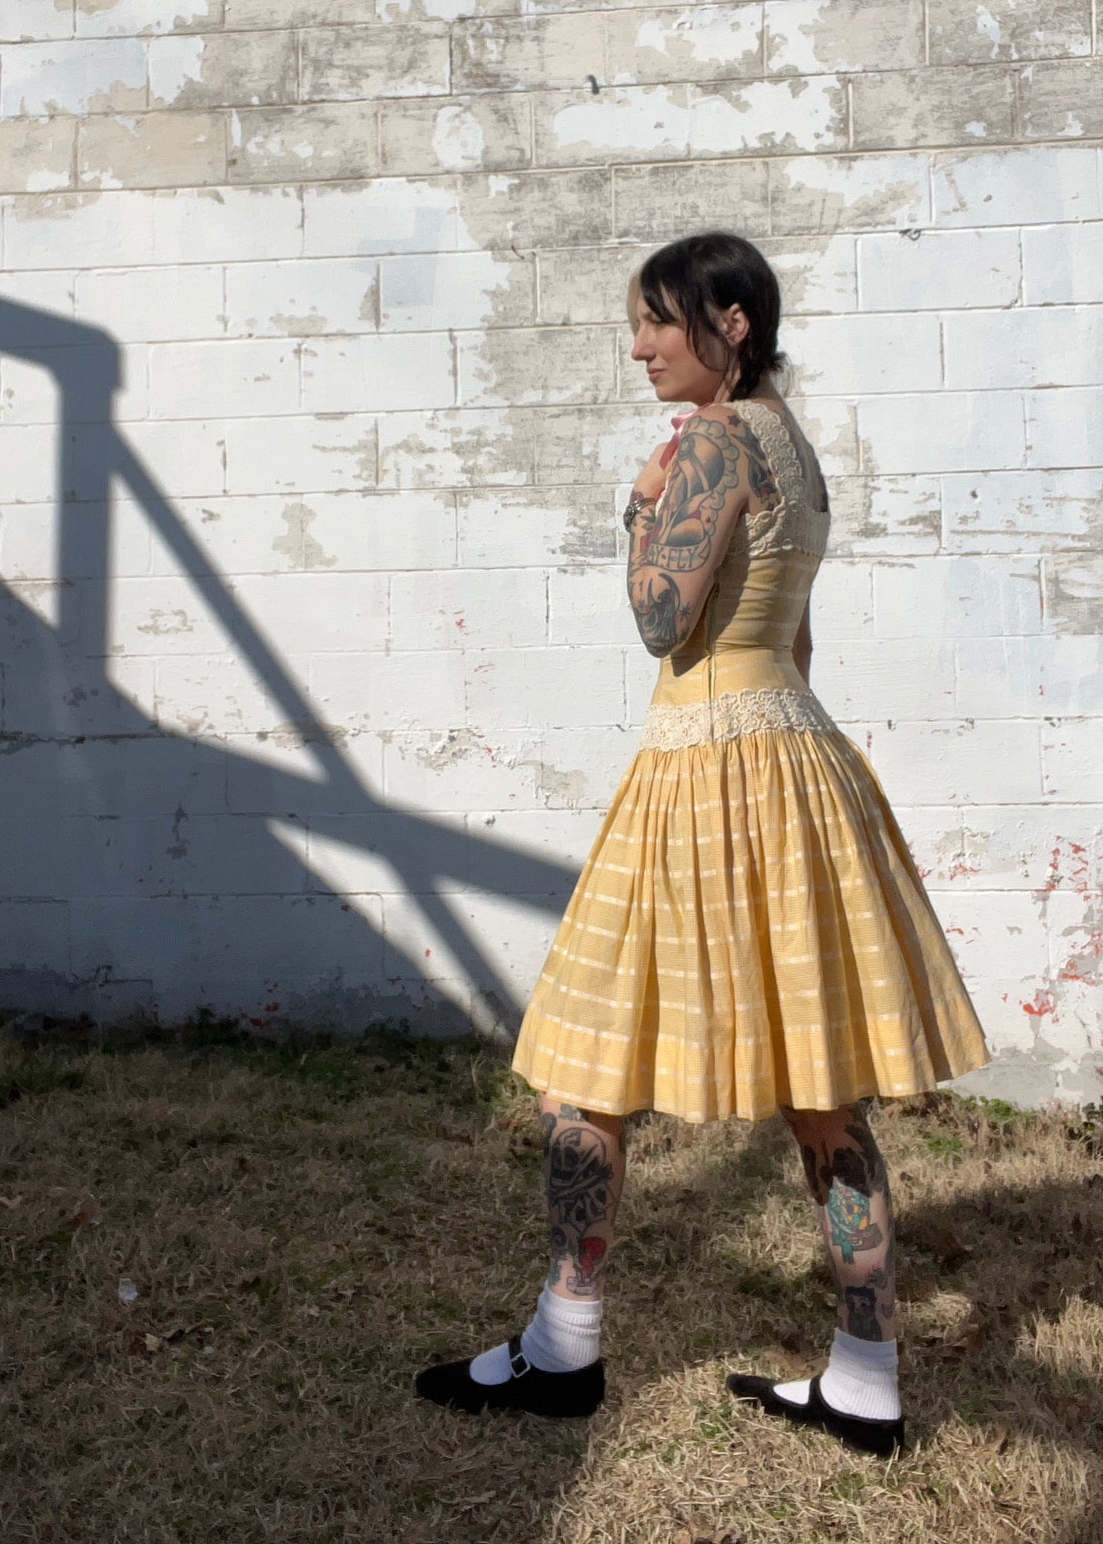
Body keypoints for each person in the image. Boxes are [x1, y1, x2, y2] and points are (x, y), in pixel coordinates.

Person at [415, 231, 989, 1456]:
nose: (636, 346)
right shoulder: (794, 447)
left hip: (702, 762)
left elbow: (657, 615)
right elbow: (797, 643)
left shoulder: (715, 442)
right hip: (797, 756)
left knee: (583, 1062)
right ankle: (866, 1375)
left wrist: (639, 502)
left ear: (727, 320)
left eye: (656, 323)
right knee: (822, 1098)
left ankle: (563, 1346)